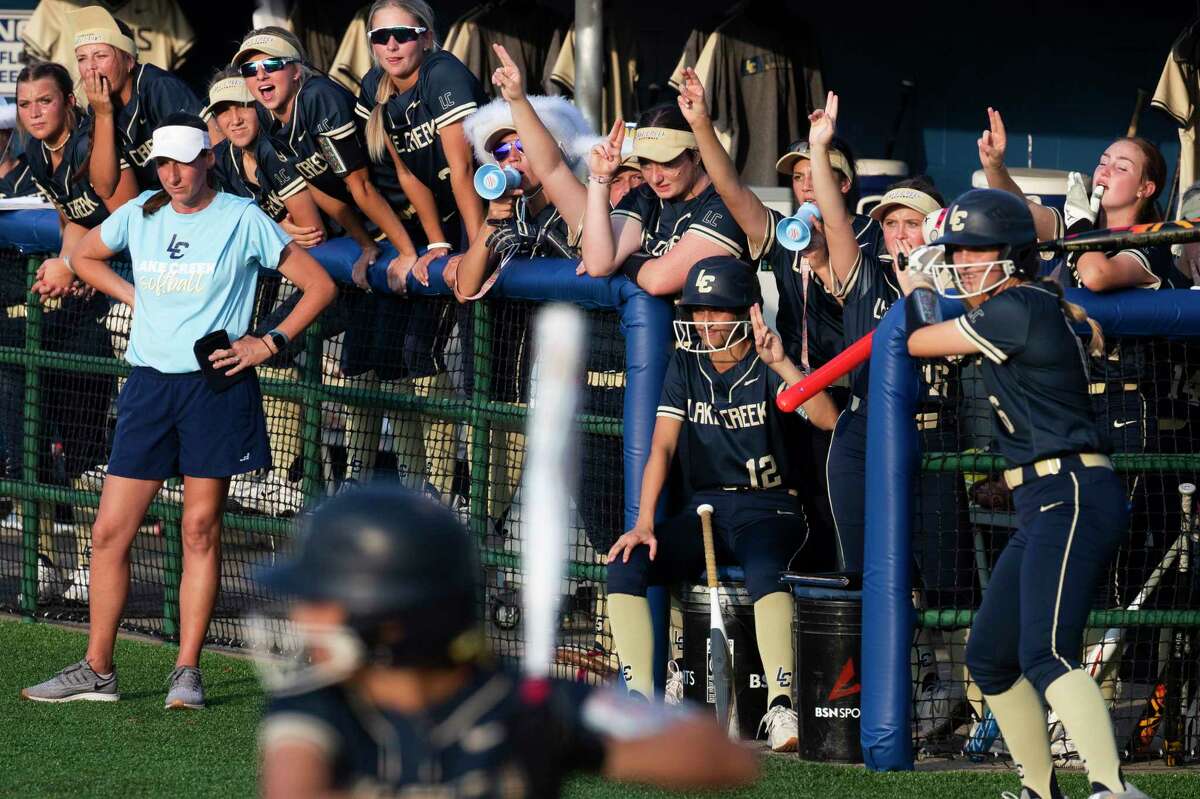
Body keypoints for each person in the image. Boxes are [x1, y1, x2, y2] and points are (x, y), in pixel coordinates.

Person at [21, 114, 336, 709]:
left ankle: (186, 670)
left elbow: (318, 285)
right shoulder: (140, 210)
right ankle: (98, 668)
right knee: (110, 530)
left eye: (184, 160)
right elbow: (87, 254)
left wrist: (269, 342)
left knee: (199, 529)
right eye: (163, 163)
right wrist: (133, 296)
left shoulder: (243, 218)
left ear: (207, 159)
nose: (173, 173)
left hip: (212, 389)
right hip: (147, 388)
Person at [255, 484, 758, 797]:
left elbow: (725, 759)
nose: (303, 619)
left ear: (392, 618)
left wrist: (558, 728)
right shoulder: (316, 705)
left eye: (322, 601)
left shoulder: (522, 703)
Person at [906, 187, 1148, 799]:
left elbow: (919, 342)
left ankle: (1112, 789)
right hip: (1043, 499)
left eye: (973, 249)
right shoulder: (1040, 302)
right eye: (956, 251)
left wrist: (915, 293)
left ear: (1011, 254)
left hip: (1069, 489)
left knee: (1046, 651)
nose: (960, 262)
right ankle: (1042, 793)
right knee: (989, 657)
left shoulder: (1017, 307)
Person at [605, 257, 837, 753]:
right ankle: (639, 703)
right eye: (698, 311)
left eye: (718, 312)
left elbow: (827, 418)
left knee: (765, 566)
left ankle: (780, 706)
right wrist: (643, 523)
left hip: (772, 508)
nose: (706, 323)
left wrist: (780, 363)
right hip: (705, 510)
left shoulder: (768, 356)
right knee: (626, 563)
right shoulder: (685, 362)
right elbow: (662, 447)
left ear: (745, 311)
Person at [580, 104, 749, 296]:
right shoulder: (644, 196)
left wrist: (624, 261)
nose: (655, 178)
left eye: (667, 163)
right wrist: (600, 178)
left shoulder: (725, 204)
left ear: (695, 156)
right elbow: (598, 264)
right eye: (645, 164)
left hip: (711, 326)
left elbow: (658, 281)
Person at [70, 5, 203, 197]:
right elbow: (104, 188)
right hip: (152, 204)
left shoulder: (158, 87)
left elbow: (212, 150)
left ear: (129, 61)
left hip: (191, 198)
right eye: (82, 58)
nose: (91, 68)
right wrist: (103, 115)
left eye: (101, 56)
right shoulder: (98, 109)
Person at [204, 69, 326, 245]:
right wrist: (274, 230)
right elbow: (225, 230)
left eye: (243, 105)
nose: (235, 119)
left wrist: (267, 233)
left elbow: (314, 237)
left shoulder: (276, 145)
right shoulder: (220, 159)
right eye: (223, 111)